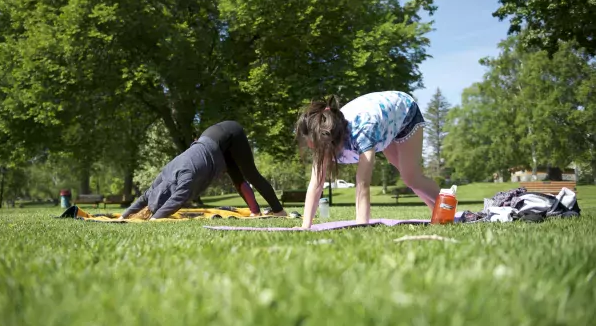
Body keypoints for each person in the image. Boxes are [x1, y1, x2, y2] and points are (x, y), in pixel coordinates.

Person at [295, 91, 440, 229]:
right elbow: (316, 184)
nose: (312, 148)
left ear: (332, 140)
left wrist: (361, 225)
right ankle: (438, 214)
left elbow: (362, 183)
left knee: (411, 177)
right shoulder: (323, 133)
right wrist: (306, 225)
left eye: (317, 145)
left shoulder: (363, 132)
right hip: (383, 119)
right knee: (409, 177)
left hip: (404, 110)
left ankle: (446, 204)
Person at [121, 121, 287, 220]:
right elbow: (144, 197)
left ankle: (279, 210)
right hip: (212, 140)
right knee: (236, 177)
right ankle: (255, 212)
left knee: (251, 174)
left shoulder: (186, 177)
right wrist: (124, 216)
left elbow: (177, 199)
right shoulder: (165, 173)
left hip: (231, 132)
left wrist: (155, 219)